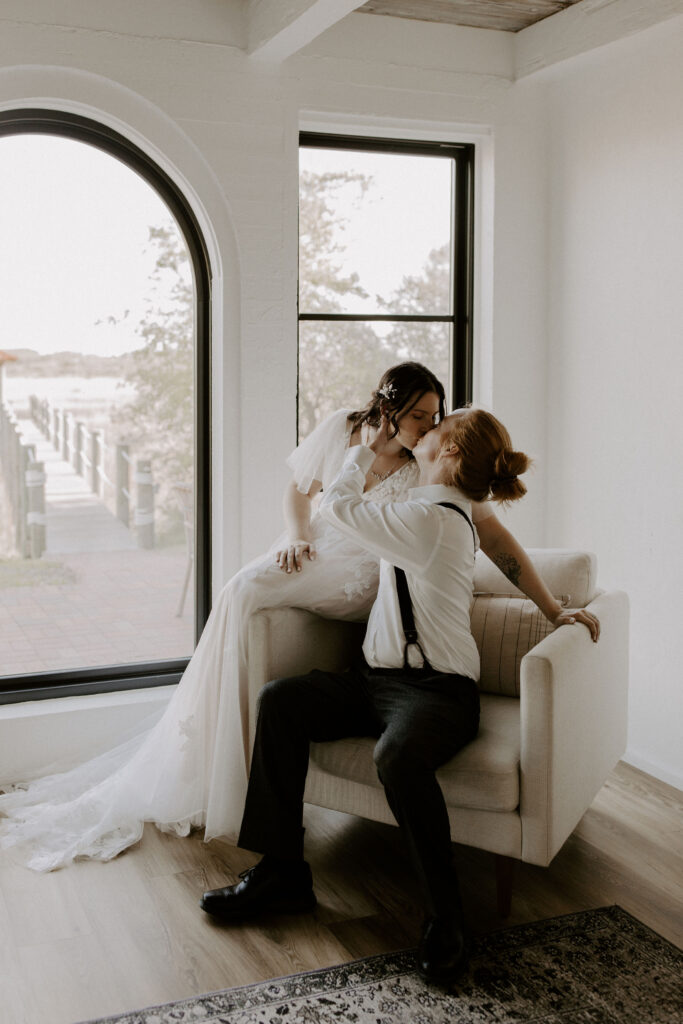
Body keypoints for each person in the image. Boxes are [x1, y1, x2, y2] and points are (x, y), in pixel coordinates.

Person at [0, 363, 597, 872]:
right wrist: (294, 535)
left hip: (381, 578)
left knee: (275, 623)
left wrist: (551, 607)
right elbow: (304, 495)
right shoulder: (348, 430)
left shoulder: (433, 476)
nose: (431, 427)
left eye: (437, 418)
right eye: (421, 416)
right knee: (243, 596)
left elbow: (490, 538)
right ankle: (220, 773)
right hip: (331, 553)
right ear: (391, 412)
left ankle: (262, 806)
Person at [200, 407, 535, 983]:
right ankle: (283, 872)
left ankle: (446, 919)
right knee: (281, 701)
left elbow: (335, 505)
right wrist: (552, 608)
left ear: (449, 452)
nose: (424, 432)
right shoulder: (423, 511)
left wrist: (364, 449)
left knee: (397, 756)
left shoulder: (435, 521)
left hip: (438, 693)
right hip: (377, 682)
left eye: (436, 427)